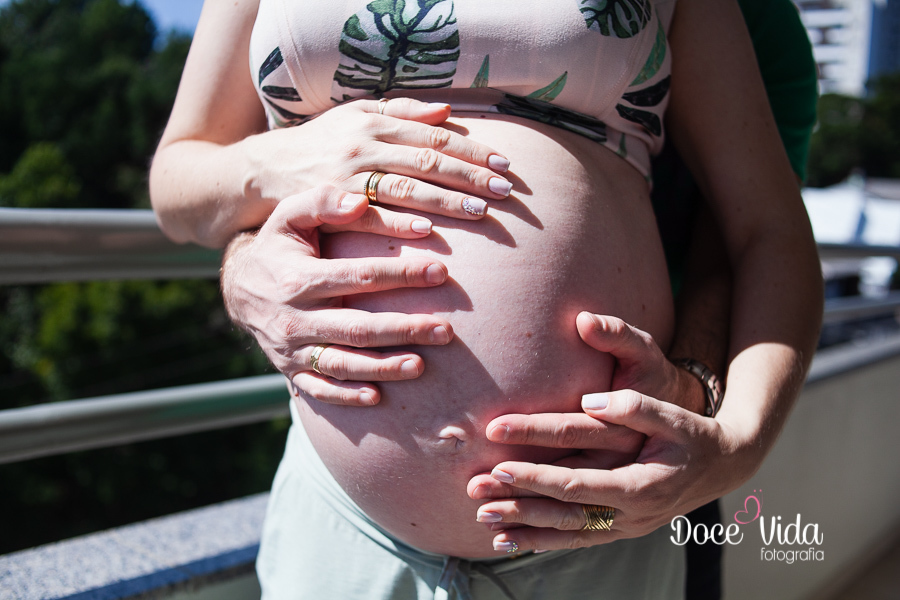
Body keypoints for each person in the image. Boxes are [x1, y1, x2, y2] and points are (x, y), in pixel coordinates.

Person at [149, 0, 822, 597]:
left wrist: (734, 446)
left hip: (599, 517)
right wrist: (276, 163)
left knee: (605, 525)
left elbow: (768, 227)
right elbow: (178, 180)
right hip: (344, 515)